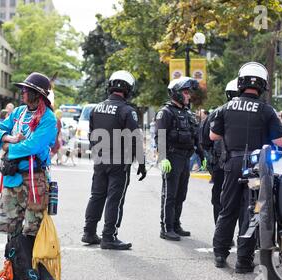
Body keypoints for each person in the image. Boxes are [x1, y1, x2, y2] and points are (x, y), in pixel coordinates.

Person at [210, 62, 282, 272]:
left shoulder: (225, 108)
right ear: (262, 85)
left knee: (227, 209)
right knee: (252, 211)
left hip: (232, 164)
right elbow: (281, 141)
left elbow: (213, 135)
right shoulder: (266, 110)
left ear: (241, 82)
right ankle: (243, 261)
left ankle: (219, 253)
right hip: (255, 167)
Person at [0, 72, 58, 280]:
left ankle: (38, 274)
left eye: (26, 90)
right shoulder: (17, 113)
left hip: (35, 179)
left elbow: (34, 146)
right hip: (12, 178)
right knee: (11, 225)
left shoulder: (48, 119)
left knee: (33, 226)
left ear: (38, 94)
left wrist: (7, 147)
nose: (22, 93)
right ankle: (10, 270)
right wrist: (5, 138)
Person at [81, 70, 147, 250]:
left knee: (97, 195)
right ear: (128, 89)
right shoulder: (127, 111)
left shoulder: (96, 108)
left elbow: (92, 135)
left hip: (100, 159)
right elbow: (135, 138)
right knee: (115, 199)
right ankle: (109, 236)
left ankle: (88, 232)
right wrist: (141, 162)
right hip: (119, 162)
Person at [155, 76, 203, 241]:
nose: (188, 95)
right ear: (176, 93)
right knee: (170, 194)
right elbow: (160, 136)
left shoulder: (187, 113)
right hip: (172, 156)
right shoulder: (165, 112)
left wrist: (202, 155)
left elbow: (195, 136)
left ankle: (175, 224)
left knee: (181, 193)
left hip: (185, 158)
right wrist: (163, 158)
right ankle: (166, 227)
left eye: (189, 92)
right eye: (185, 92)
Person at [201, 78, 238, 224]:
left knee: (220, 199)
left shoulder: (218, 112)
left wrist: (211, 161)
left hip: (221, 163)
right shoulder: (258, 110)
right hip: (244, 164)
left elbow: (204, 140)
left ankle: (221, 233)